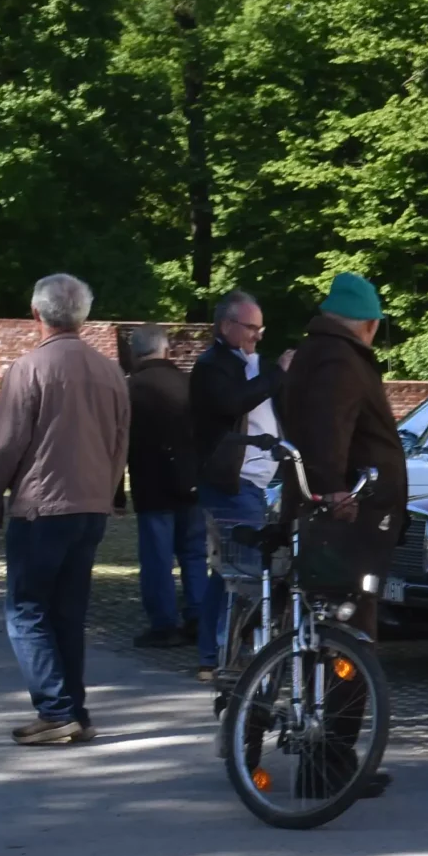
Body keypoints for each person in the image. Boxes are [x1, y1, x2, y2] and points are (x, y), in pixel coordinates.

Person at [0, 274, 130, 746]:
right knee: (67, 612)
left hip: (43, 505)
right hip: (90, 506)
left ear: (36, 313)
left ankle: (56, 710)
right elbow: (120, 443)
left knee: (27, 610)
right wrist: (108, 493)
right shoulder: (110, 373)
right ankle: (75, 712)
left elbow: (4, 442)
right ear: (83, 315)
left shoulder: (29, 368)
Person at [275, 272, 407, 798]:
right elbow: (330, 432)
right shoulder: (341, 360)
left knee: (331, 641)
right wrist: (334, 492)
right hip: (347, 522)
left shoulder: (316, 352)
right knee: (351, 641)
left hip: (330, 518)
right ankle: (328, 763)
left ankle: (331, 757)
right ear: (368, 325)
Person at [190, 289, 283, 681]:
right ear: (227, 325)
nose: (257, 335)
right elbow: (233, 403)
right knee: (243, 573)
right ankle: (229, 656)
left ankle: (213, 654)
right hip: (232, 482)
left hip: (250, 483)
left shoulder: (245, 361)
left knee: (227, 570)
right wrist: (277, 374)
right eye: (250, 328)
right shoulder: (213, 365)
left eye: (261, 328)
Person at [119, 323, 207, 651]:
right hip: (191, 481)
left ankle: (164, 624)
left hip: (152, 483)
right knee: (194, 553)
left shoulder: (131, 389)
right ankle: (198, 615)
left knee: (157, 558)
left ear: (134, 353)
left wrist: (116, 492)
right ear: (166, 349)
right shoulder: (189, 385)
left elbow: (119, 444)